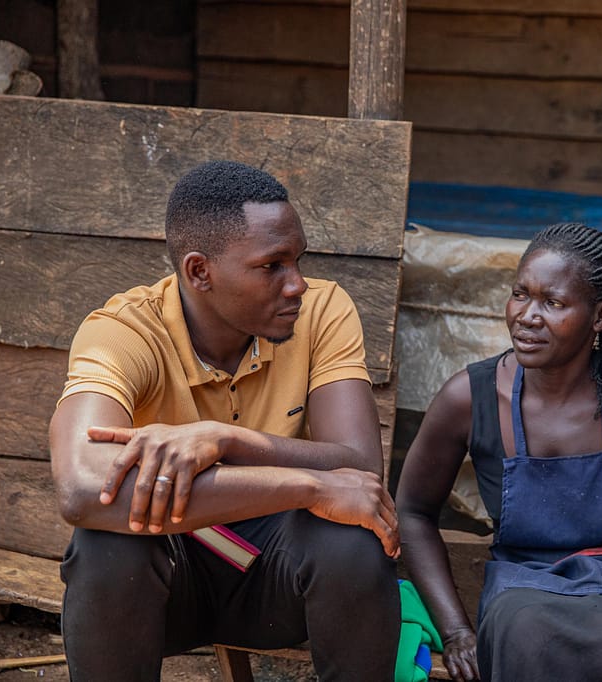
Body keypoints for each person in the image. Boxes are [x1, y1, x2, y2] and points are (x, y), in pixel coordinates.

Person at [49, 160, 401, 681]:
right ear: (198, 272)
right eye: (272, 265)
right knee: (105, 544)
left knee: (353, 541)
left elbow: (358, 465)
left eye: (298, 260)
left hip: (280, 588)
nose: (297, 284)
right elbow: (80, 487)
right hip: (164, 586)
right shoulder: (125, 332)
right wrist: (308, 486)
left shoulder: (323, 310)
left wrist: (225, 439)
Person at [396, 222, 602, 681]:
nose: (527, 315)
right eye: (520, 294)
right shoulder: (470, 399)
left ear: (601, 315)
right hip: (521, 589)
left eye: (553, 303)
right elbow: (411, 510)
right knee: (524, 626)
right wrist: (455, 632)